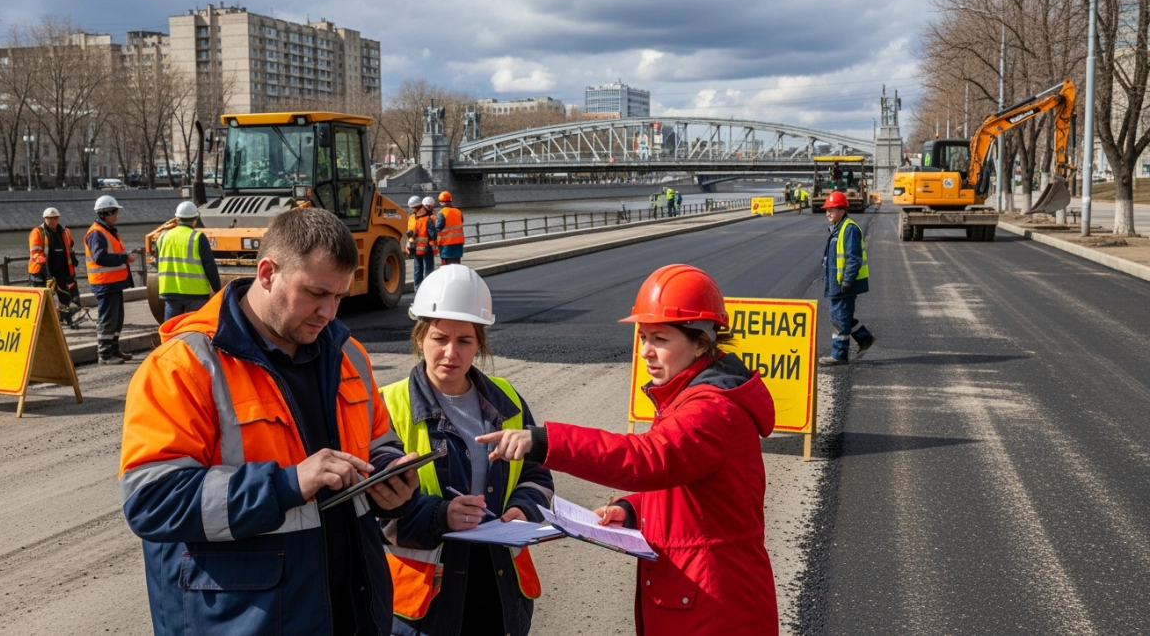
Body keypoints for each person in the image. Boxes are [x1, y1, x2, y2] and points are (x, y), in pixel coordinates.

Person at [119, 207, 423, 635]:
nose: (329, 312)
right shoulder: (183, 366)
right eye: (315, 293)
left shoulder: (348, 354)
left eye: (339, 297)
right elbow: (152, 502)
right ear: (266, 273)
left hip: (352, 611)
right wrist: (286, 484)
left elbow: (378, 442)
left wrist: (390, 477)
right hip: (244, 619)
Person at [479, 264, 779, 635]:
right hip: (702, 595)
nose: (646, 352)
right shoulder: (688, 396)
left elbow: (650, 458)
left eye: (660, 339)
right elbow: (689, 487)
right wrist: (633, 510)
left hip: (714, 608)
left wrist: (545, 441)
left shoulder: (710, 409)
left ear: (701, 342)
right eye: (643, 337)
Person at [380, 265, 553, 636]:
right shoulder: (389, 406)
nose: (450, 352)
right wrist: (440, 515)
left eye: (464, 341)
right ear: (420, 338)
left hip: (498, 588)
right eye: (439, 338)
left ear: (479, 344)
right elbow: (374, 509)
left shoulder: (507, 399)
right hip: (426, 602)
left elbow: (537, 473)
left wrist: (524, 509)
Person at [818, 191, 875, 365]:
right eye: (827, 209)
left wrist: (848, 280)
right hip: (836, 283)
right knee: (842, 315)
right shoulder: (837, 228)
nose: (828, 213)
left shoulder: (849, 229)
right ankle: (864, 338)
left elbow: (854, 258)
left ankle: (839, 355)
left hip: (844, 284)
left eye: (832, 209)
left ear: (842, 210)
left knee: (839, 317)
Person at [86, 195, 136, 364]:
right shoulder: (97, 233)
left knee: (116, 318)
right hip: (104, 283)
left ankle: (114, 349)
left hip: (113, 283)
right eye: (114, 212)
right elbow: (100, 257)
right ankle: (105, 354)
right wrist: (124, 258)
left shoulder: (107, 231)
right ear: (105, 213)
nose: (117, 215)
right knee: (108, 319)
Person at [157, 201, 221, 320]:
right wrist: (217, 288)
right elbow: (210, 266)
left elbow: (158, 262)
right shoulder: (198, 238)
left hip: (170, 291)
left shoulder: (163, 236)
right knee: (195, 327)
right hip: (196, 293)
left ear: (177, 218)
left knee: (171, 327)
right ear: (194, 219)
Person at [28, 207, 81, 325]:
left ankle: (64, 317)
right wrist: (45, 270)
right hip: (42, 272)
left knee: (67, 296)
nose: (52, 221)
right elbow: (35, 252)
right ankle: (40, 322)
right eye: (49, 218)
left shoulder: (65, 232)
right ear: (45, 219)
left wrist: (73, 259)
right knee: (41, 299)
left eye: (55, 218)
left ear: (58, 218)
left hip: (61, 270)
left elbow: (69, 248)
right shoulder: (37, 232)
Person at [434, 191, 464, 266]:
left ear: (440, 202)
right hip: (458, 244)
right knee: (457, 266)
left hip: (446, 245)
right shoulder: (458, 211)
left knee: (446, 267)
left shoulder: (442, 213)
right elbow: (461, 222)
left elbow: (437, 229)